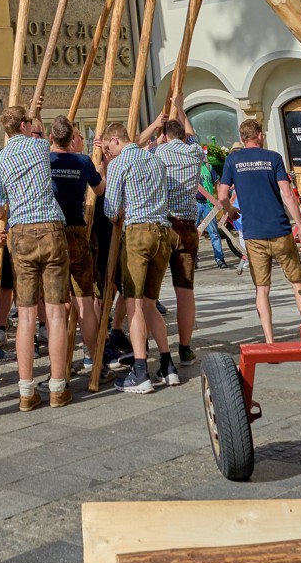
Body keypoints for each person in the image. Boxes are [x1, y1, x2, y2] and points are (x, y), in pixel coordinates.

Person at [0, 106, 71, 411]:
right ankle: (58, 387)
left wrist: (4, 208)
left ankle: (26, 391)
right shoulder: (38, 146)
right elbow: (44, 134)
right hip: (50, 226)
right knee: (56, 312)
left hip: (20, 232)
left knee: (24, 316)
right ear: (24, 125)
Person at [99, 121, 178, 395]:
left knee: (133, 304)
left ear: (115, 140)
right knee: (150, 303)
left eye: (109, 147)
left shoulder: (121, 163)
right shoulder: (154, 158)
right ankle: (168, 366)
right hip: (162, 232)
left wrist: (118, 210)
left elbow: (110, 209)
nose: (108, 152)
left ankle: (141, 370)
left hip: (138, 233)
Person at [218, 118, 301, 342]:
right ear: (259, 135)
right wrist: (300, 227)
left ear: (242, 138)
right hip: (280, 229)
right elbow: (287, 195)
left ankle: (270, 340)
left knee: (262, 289)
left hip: (254, 234)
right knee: (297, 283)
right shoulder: (273, 158)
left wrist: (231, 210)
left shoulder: (232, 160)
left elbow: (222, 196)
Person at [146, 107, 204, 365]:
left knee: (150, 293)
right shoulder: (193, 152)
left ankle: (158, 348)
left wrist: (157, 133)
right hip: (188, 226)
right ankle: (185, 346)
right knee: (185, 291)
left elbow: (141, 149)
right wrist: (181, 110)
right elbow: (191, 135)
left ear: (166, 136)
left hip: (163, 224)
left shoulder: (158, 152)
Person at [47, 117, 103, 372]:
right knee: (85, 300)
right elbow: (100, 190)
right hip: (78, 230)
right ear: (72, 139)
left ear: (51, 138)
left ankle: (60, 367)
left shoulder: (44, 162)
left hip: (54, 233)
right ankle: (96, 360)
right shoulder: (82, 161)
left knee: (56, 304)